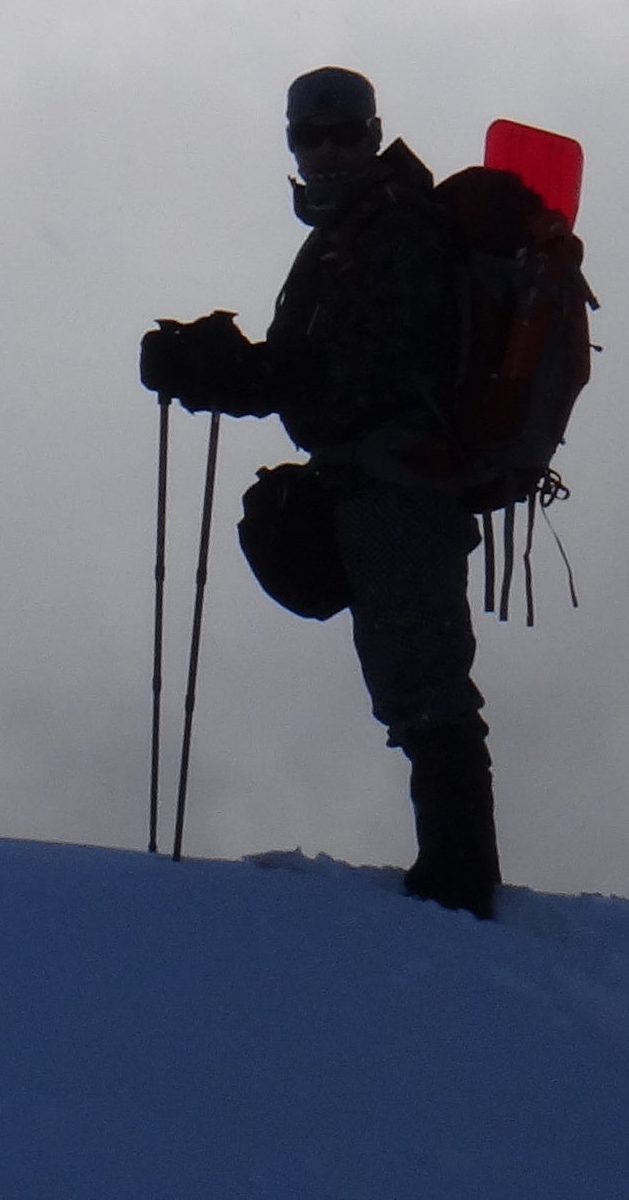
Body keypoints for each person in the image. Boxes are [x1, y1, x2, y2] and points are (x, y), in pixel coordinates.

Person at [138, 66, 500, 918]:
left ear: (372, 136)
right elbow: (323, 368)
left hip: (405, 482)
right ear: (293, 144)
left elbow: (366, 368)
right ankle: (454, 881)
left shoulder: (398, 227)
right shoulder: (350, 234)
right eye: (311, 135)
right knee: (411, 678)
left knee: (424, 683)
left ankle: (459, 886)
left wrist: (238, 371)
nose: (327, 151)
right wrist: (237, 369)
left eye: (343, 134)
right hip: (375, 478)